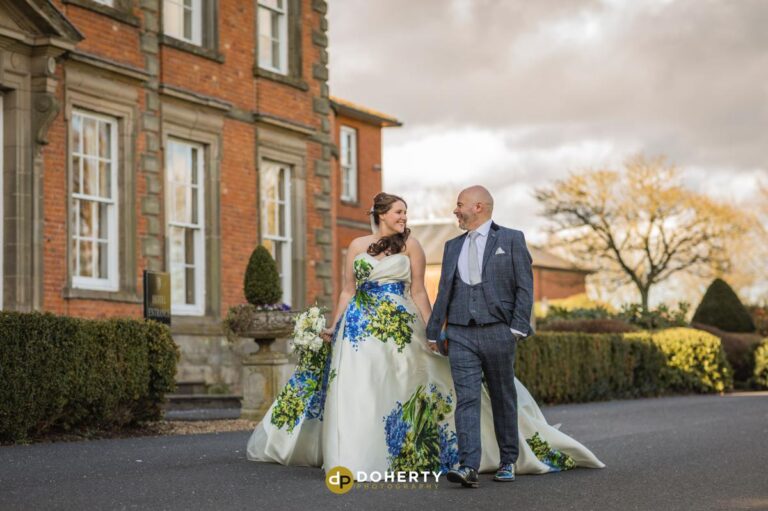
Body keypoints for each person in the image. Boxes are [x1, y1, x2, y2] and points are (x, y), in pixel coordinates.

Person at [246, 191, 604, 485]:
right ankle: (357, 455)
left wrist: (434, 330)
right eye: (399, 212)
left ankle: (481, 454)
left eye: (405, 212)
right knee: (360, 389)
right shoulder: (355, 246)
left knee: (417, 383)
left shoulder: (412, 246)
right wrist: (334, 325)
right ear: (381, 214)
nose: (404, 217)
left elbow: (420, 291)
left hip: (401, 326)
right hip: (358, 329)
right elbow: (346, 291)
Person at [427, 185, 531, 487]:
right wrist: (434, 331)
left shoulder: (511, 239)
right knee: (467, 399)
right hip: (460, 333)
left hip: (499, 330)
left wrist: (516, 328)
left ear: (478, 207)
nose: (455, 210)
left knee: (502, 396)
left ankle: (508, 460)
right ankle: (468, 466)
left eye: (460, 204)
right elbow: (444, 291)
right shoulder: (452, 246)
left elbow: (525, 287)